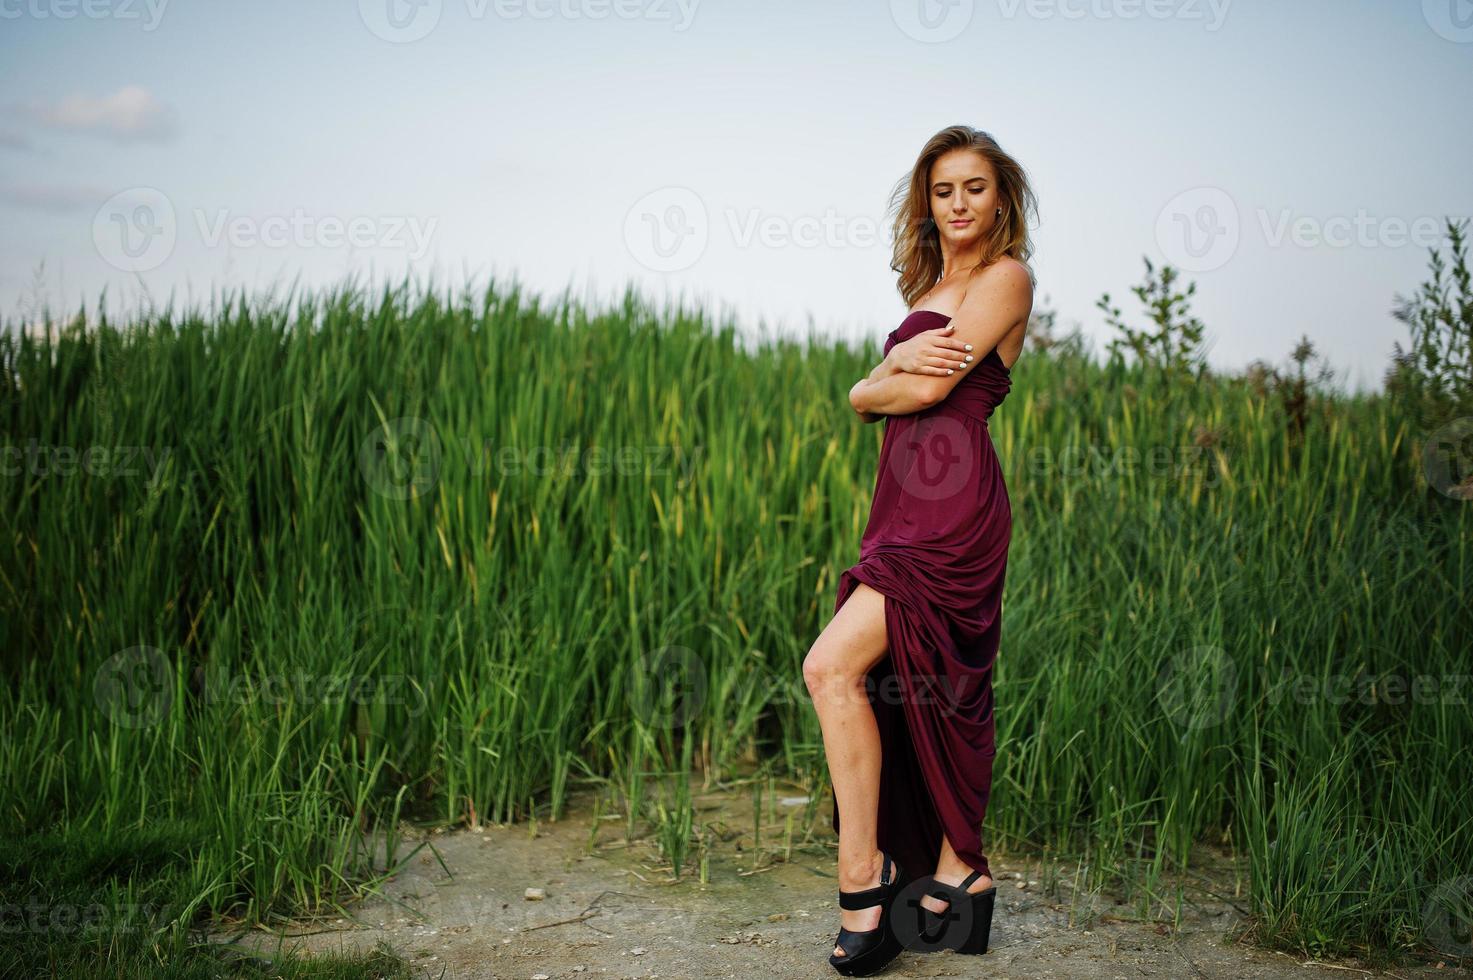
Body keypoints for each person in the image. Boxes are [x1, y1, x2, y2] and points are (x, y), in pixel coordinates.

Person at [803, 124, 1036, 974]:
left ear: (1000, 197)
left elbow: (929, 386)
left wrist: (886, 374)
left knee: (831, 667)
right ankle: (955, 872)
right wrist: (881, 374)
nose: (959, 203)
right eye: (943, 190)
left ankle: (862, 877)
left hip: (953, 502)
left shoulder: (1006, 278)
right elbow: (865, 397)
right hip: (901, 499)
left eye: (974, 187)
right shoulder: (935, 285)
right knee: (919, 684)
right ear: (925, 203)